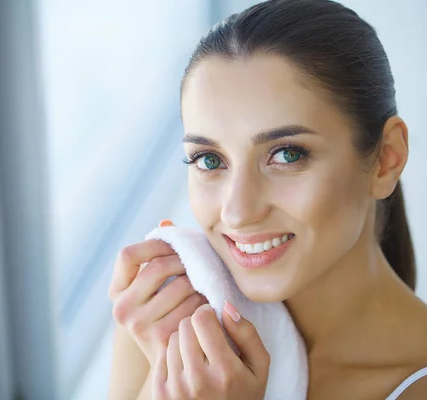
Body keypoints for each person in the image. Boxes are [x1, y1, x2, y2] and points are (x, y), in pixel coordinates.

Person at [107, 0, 427, 399]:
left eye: (287, 154)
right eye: (209, 159)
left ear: (386, 159)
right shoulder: (165, 327)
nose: (238, 212)